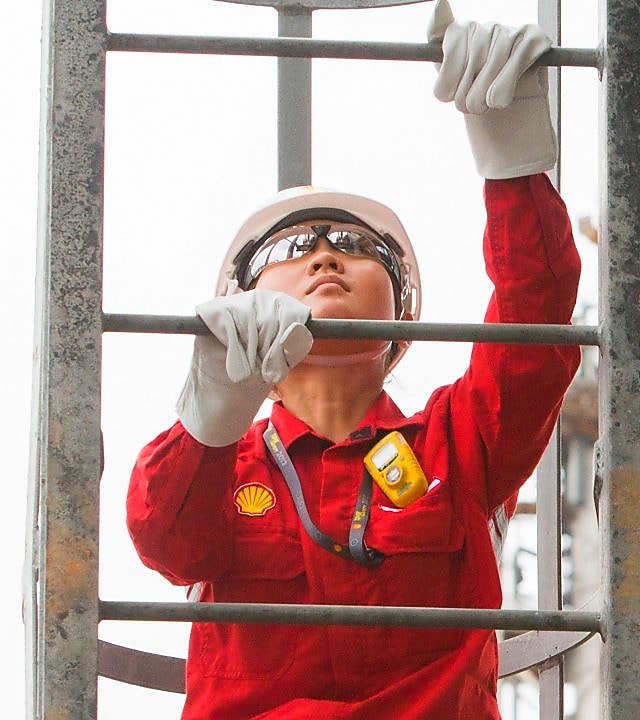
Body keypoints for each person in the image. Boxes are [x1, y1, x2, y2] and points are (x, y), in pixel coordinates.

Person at [126, 3, 580, 718]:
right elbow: (165, 542)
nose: (326, 254)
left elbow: (537, 313)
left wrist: (512, 158)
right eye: (287, 251)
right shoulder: (219, 471)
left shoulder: (457, 447)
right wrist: (209, 414)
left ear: (400, 318)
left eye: (358, 246)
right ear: (240, 303)